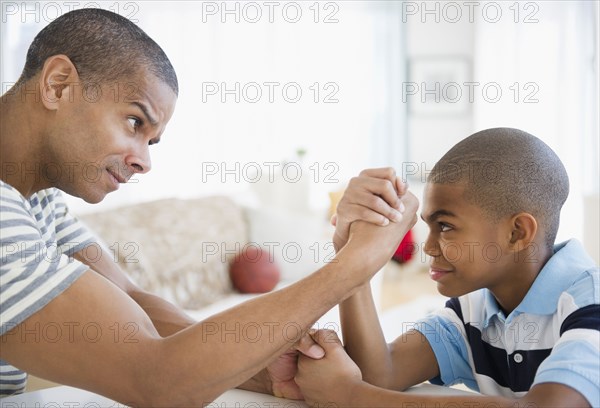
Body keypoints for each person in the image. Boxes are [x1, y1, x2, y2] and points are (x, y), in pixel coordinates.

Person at [0, 8, 419, 405]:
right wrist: (354, 265)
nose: (144, 161)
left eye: (151, 141)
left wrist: (259, 365)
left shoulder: (38, 198)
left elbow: (132, 298)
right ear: (58, 85)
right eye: (134, 122)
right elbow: (156, 382)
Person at [296, 128, 600, 407]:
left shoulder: (590, 303)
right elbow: (379, 373)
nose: (427, 248)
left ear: (517, 233)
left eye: (445, 226)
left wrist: (351, 395)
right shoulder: (472, 311)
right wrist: (352, 258)